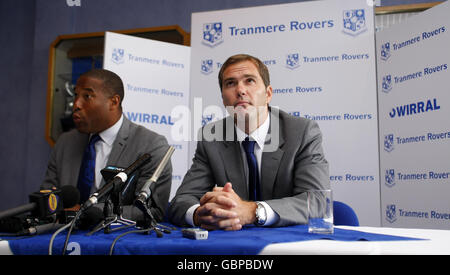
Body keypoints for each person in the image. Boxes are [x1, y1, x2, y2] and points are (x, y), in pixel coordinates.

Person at [169, 54, 329, 230]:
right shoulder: (211, 137)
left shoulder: (301, 132)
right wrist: (201, 214)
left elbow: (317, 201)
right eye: (230, 83)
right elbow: (182, 200)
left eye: (249, 81)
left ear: (268, 94)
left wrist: (252, 211)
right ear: (223, 99)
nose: (240, 90)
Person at [41, 69, 172, 222]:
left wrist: (86, 213)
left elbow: (150, 211)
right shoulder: (66, 142)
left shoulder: (151, 145)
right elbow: (47, 197)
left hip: (115, 241)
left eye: (87, 96)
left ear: (113, 102)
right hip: (60, 237)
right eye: (76, 95)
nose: (76, 104)